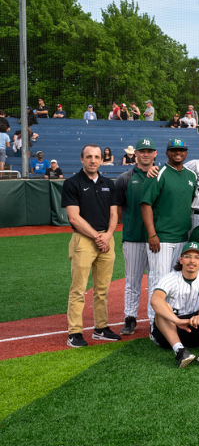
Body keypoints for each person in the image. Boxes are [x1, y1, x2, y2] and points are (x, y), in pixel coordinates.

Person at [61, 144, 120, 347]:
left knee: (102, 289)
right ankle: (74, 332)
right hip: (84, 240)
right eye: (89, 157)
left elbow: (114, 214)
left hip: (107, 239)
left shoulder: (108, 183)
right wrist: (98, 237)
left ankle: (100, 328)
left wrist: (109, 235)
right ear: (82, 159)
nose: (93, 160)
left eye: (96, 157)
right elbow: (74, 218)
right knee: (78, 289)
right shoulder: (72, 183)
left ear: (101, 160)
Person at [140, 138, 198, 325]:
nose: (177, 153)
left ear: (186, 153)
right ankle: (153, 324)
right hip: (162, 238)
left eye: (181, 150)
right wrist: (152, 234)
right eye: (173, 150)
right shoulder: (159, 173)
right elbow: (146, 204)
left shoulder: (191, 175)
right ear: (167, 153)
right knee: (159, 281)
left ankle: (172, 320)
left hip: (183, 237)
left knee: (176, 281)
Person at [149, 242, 199, 367]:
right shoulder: (170, 278)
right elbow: (155, 300)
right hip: (171, 329)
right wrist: (176, 320)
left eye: (197, 257)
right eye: (188, 256)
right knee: (162, 311)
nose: (192, 261)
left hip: (197, 326)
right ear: (180, 260)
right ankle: (180, 351)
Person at [113, 137, 157, 336]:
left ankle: (155, 319)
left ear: (155, 153)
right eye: (142, 151)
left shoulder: (161, 175)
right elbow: (119, 209)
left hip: (157, 238)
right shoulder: (125, 178)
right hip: (133, 237)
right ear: (136, 154)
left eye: (149, 151)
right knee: (132, 280)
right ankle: (130, 317)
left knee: (156, 281)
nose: (145, 154)